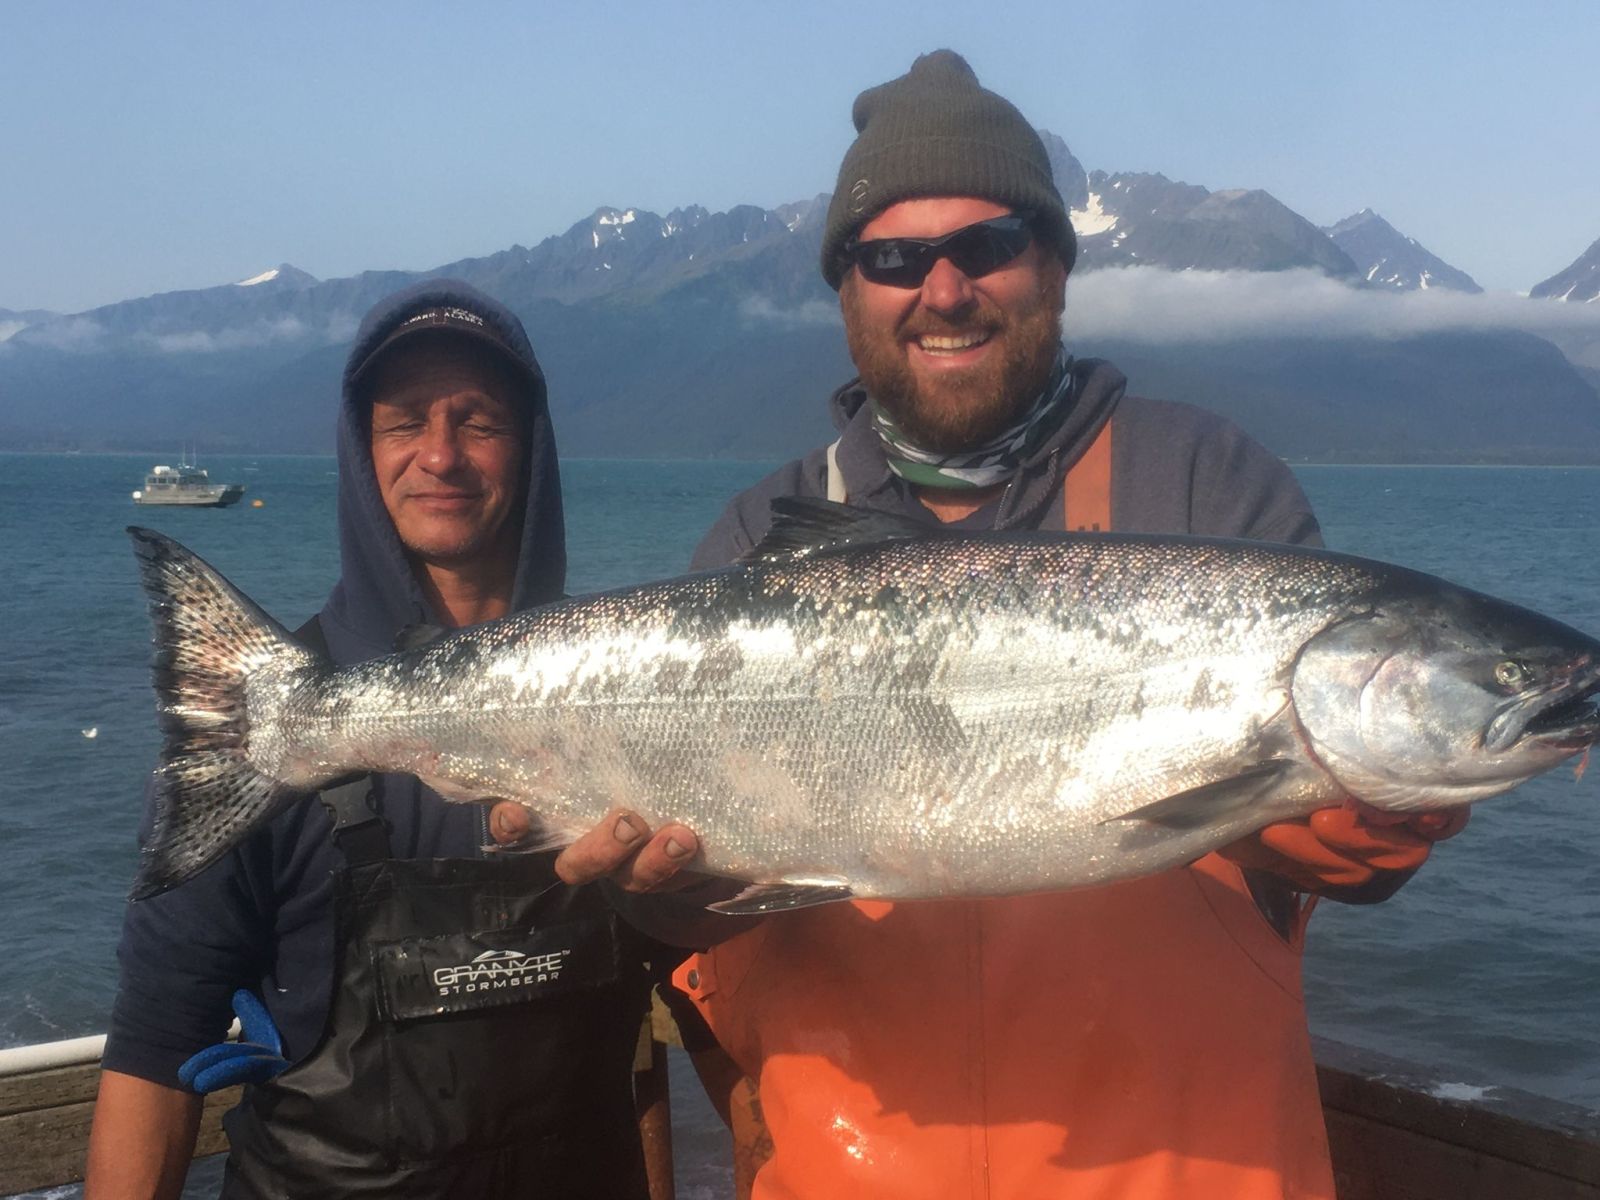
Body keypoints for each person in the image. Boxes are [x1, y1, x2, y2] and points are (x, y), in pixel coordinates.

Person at [653, 51, 1467, 1199]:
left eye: (987, 245)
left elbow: (1352, 839)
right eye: (893, 258)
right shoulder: (761, 535)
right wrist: (647, 888)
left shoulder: (1206, 486)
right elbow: (693, 904)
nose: (944, 289)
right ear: (846, 292)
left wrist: (1376, 829)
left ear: (1054, 266)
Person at [85, 280, 694, 1199]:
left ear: (532, 450)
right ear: (360, 453)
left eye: (479, 421)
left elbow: (642, 1038)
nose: (440, 455)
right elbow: (158, 1044)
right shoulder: (267, 725)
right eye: (404, 422)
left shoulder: (644, 695)